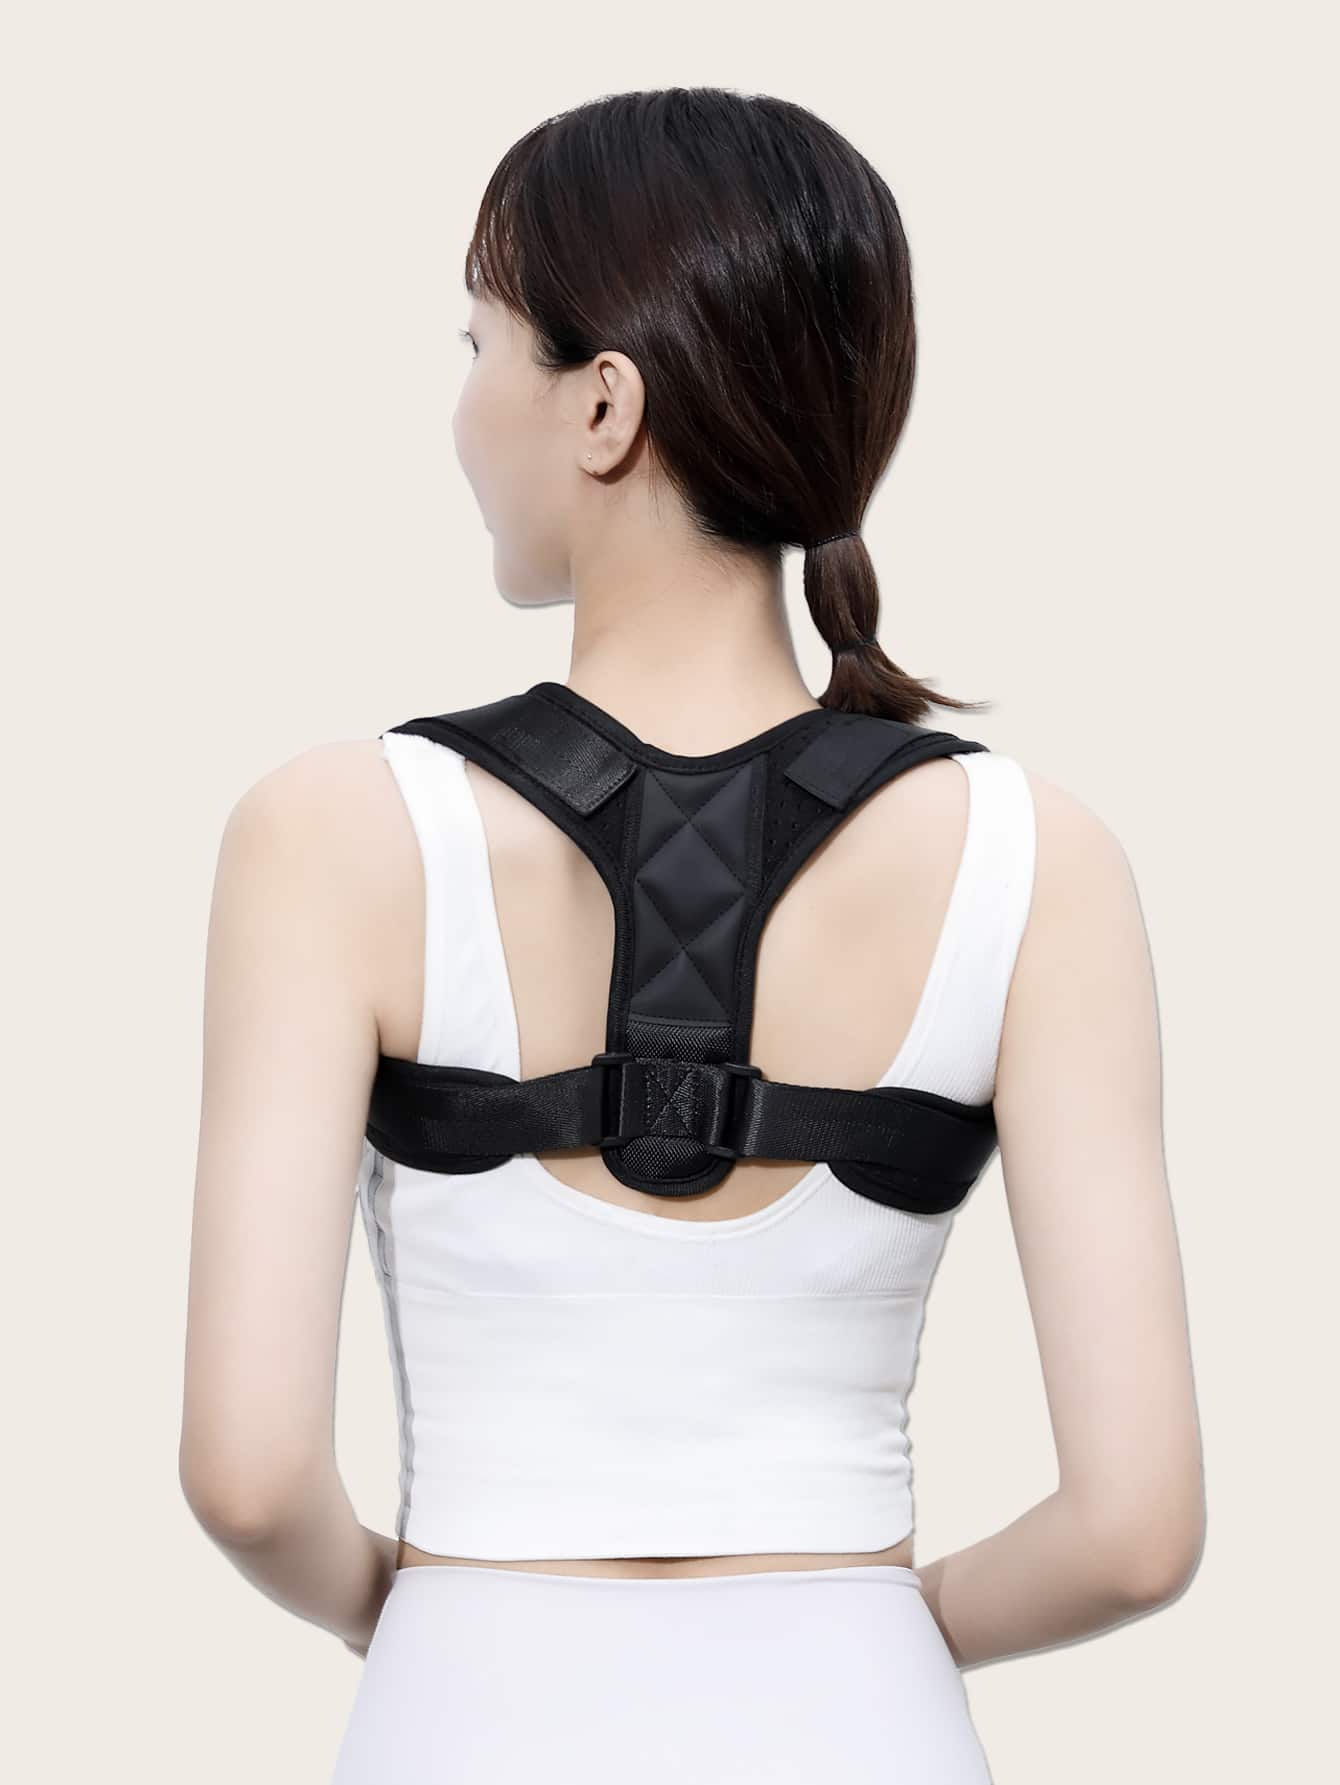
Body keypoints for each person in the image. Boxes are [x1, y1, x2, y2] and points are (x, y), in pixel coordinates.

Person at [178, 87, 1205, 1783]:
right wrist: (878, 1621)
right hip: (863, 1717)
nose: (462, 408)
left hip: (471, 1709)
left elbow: (247, 1474)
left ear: (602, 406)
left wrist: (418, 1611)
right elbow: (1137, 1529)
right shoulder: (1043, 860)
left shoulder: (332, 833)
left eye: (478, 344)